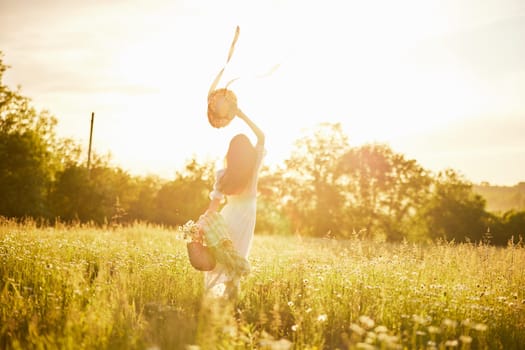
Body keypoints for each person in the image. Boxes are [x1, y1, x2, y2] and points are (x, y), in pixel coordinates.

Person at [203, 107, 265, 299]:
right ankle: (231, 303)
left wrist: (203, 222)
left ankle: (218, 300)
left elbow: (214, 206)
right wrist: (242, 115)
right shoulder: (253, 168)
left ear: (230, 153)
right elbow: (261, 137)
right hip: (246, 217)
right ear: (248, 153)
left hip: (228, 216)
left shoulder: (223, 174)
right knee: (237, 259)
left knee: (222, 256)